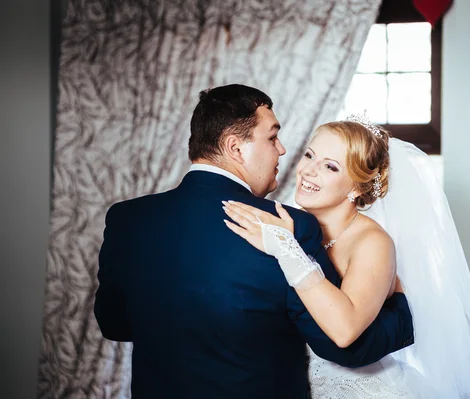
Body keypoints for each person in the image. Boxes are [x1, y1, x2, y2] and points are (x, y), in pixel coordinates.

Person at [94, 84, 415, 399]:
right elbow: (340, 345)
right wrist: (401, 313)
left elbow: (114, 325)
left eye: (329, 166)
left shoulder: (127, 218)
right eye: (273, 137)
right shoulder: (289, 227)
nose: (285, 151)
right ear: (235, 148)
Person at [223, 115, 470, 398]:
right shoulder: (290, 225)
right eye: (310, 155)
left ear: (356, 188)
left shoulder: (373, 243)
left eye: (330, 167)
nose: (309, 171)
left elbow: (346, 330)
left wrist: (286, 249)